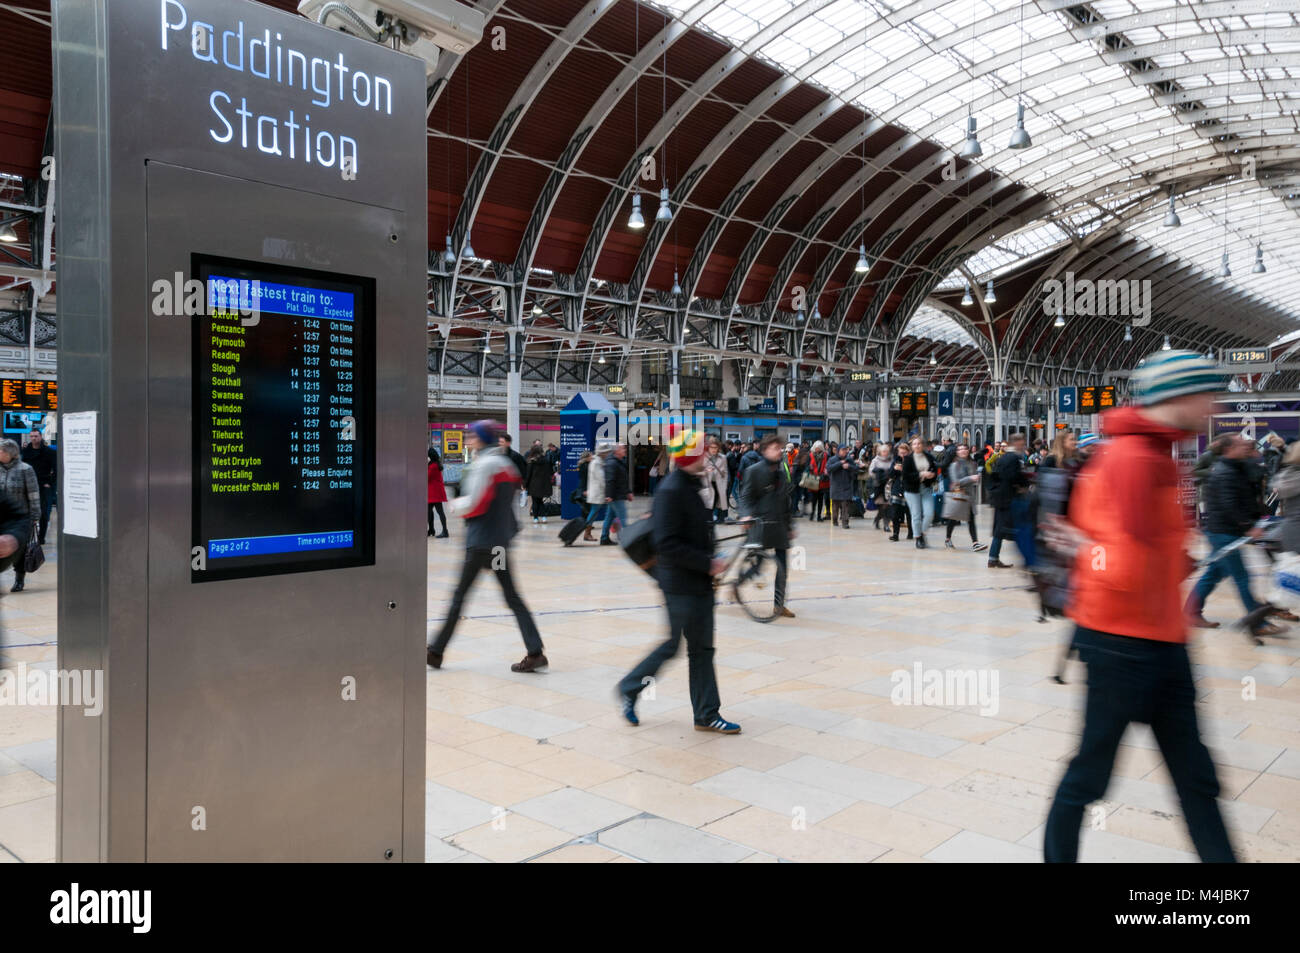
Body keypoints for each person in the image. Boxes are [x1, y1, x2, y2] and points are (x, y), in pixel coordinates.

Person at [1045, 350, 1235, 863]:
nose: (1213, 404)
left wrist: (1169, 558)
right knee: (1090, 776)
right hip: (1121, 647)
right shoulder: (1133, 460)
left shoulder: (1156, 456)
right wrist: (1172, 559)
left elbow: (1127, 552)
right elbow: (1118, 564)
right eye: (1206, 393)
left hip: (1160, 641)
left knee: (1195, 779)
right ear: (1178, 395)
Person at [617, 427, 740, 734]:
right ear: (691, 457)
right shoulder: (673, 491)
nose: (708, 455)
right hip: (681, 586)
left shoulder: (689, 483)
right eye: (702, 452)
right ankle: (632, 689)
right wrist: (708, 563)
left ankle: (705, 714)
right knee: (679, 647)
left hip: (695, 582)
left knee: (698, 649)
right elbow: (668, 544)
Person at [427, 420, 547, 673]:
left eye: (472, 436)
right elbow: (510, 512)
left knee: (459, 597)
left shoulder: (485, 465)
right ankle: (535, 651)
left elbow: (477, 503)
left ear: (481, 439)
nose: (469, 440)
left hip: (480, 544)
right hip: (499, 546)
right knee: (513, 598)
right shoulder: (507, 465)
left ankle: (436, 651)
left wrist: (455, 505)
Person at [1184, 434, 1284, 638]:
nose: (1245, 446)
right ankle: (1258, 623)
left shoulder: (1236, 467)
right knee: (1241, 577)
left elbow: (1249, 493)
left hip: (1223, 530)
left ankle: (1190, 612)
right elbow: (1230, 504)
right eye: (1240, 444)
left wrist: (1257, 518)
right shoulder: (1224, 472)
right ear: (1229, 449)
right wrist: (1248, 526)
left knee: (1214, 573)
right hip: (1223, 532)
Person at [741, 434, 796, 618]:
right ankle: (737, 585)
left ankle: (778, 606)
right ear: (764, 450)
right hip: (761, 525)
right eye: (774, 448)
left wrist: (790, 526)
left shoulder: (781, 471)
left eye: (779, 448)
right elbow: (746, 497)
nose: (779, 451)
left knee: (782, 569)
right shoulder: (754, 470)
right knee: (758, 566)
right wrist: (746, 515)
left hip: (779, 526)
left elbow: (785, 501)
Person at [0, 439, 39, 592]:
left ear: (10, 453)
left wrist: (35, 516)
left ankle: (19, 579)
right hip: (2, 518)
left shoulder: (25, 469)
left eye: (1, 450)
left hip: (19, 519)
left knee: (20, 551)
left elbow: (34, 494)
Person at [988, 433, 1031, 569]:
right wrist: (1023, 484)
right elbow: (1014, 476)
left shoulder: (1004, 457)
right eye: (1022, 442)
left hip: (1001, 498)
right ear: (1016, 442)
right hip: (1008, 498)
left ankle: (993, 558)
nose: (1023, 445)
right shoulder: (1013, 458)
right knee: (1016, 529)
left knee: (1000, 530)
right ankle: (1027, 559)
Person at [941, 443, 986, 551]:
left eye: (965, 449)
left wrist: (976, 479)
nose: (963, 451)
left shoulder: (972, 463)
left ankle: (975, 543)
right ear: (957, 452)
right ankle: (947, 539)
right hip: (958, 496)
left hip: (969, 496)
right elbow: (956, 482)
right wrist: (971, 478)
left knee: (971, 520)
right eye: (960, 449)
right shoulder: (954, 465)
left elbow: (975, 480)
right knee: (953, 518)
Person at [21, 429, 56, 546]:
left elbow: (56, 469)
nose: (33, 438)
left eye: (36, 436)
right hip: (28, 485)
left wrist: (50, 483)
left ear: (40, 437)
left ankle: (41, 538)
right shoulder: (25, 452)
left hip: (43, 484)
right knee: (26, 511)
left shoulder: (49, 452)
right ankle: (27, 536)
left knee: (44, 513)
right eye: (31, 436)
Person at [902, 436, 937, 549]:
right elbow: (906, 476)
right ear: (912, 446)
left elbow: (934, 469)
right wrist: (921, 474)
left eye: (919, 443)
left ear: (923, 445)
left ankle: (921, 532)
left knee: (929, 513)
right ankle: (918, 538)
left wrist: (932, 475)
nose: (917, 446)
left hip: (926, 488)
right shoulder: (908, 459)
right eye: (914, 444)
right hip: (912, 490)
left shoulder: (929, 457)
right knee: (916, 515)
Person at [600, 442, 632, 545]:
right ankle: (629, 539)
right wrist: (609, 495)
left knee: (609, 517)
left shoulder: (619, 461)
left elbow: (623, 480)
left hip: (617, 494)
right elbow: (610, 480)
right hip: (615, 496)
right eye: (623, 449)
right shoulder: (612, 463)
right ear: (616, 451)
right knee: (623, 517)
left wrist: (628, 492)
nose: (625, 450)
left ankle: (604, 538)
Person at [583, 443, 610, 543]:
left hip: (598, 493)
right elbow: (601, 479)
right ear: (602, 453)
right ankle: (587, 533)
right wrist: (608, 491)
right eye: (607, 452)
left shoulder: (598, 462)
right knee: (594, 512)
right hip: (597, 493)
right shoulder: (596, 463)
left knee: (595, 512)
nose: (608, 454)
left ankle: (588, 533)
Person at [827, 444, 859, 529]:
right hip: (835, 486)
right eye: (843, 450)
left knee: (845, 506)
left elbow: (856, 469)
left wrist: (849, 466)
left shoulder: (849, 460)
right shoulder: (832, 459)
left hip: (846, 486)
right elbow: (829, 468)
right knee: (835, 506)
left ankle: (845, 523)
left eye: (846, 450)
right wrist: (839, 463)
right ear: (838, 451)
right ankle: (834, 520)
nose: (845, 451)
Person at [888, 442, 913, 541]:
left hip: (908, 489)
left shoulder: (911, 461)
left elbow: (914, 475)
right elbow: (890, 475)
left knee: (909, 514)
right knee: (895, 514)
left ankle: (911, 532)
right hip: (897, 489)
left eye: (904, 453)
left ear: (908, 452)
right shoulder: (895, 461)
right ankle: (895, 534)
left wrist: (903, 470)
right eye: (901, 453)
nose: (902, 455)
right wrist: (894, 469)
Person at [700, 437, 729, 521]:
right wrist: (706, 471)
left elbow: (726, 473)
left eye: (715, 447)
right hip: (707, 485)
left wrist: (725, 486)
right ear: (708, 447)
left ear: (718, 448)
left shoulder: (723, 458)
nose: (713, 449)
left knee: (717, 505)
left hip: (718, 485)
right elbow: (699, 471)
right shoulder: (704, 457)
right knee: (707, 507)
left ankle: (715, 520)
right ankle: (709, 523)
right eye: (711, 447)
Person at [524, 445, 554, 524]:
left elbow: (528, 475)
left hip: (534, 485)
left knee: (535, 502)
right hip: (544, 485)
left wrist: (525, 485)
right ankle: (544, 518)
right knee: (541, 501)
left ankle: (536, 518)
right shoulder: (546, 461)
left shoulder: (531, 462)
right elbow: (550, 472)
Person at [867, 443, 893, 531]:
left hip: (888, 486)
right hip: (878, 486)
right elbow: (870, 472)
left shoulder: (891, 460)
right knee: (883, 506)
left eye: (886, 451)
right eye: (883, 451)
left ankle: (882, 522)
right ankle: (882, 522)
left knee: (887, 506)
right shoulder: (876, 460)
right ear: (880, 452)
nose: (885, 453)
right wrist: (878, 475)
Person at [427, 447, 449, 538]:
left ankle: (445, 531)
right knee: (429, 511)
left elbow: (427, 478)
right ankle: (431, 529)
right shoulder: (435, 464)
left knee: (439, 512)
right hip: (433, 492)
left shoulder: (433, 466)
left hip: (434, 493)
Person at [807, 440, 830, 522]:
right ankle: (812, 513)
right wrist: (809, 468)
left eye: (818, 448)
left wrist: (826, 470)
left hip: (822, 479)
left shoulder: (826, 455)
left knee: (820, 499)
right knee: (813, 499)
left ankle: (819, 516)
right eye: (816, 448)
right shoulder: (810, 455)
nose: (817, 449)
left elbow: (828, 465)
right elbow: (806, 466)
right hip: (813, 478)